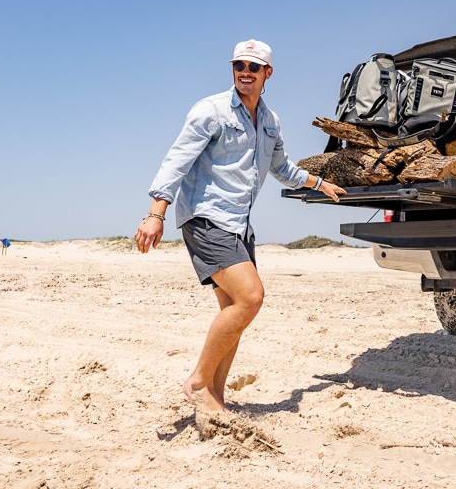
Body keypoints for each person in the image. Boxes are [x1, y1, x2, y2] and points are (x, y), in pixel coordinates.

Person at [134, 39, 343, 422]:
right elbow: (177, 160)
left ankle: (213, 400)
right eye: (239, 65)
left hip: (239, 224)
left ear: (268, 73)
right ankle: (199, 377)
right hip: (206, 217)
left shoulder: (269, 120)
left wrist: (318, 182)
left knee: (234, 312)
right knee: (251, 298)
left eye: (253, 67)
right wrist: (156, 213)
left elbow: (281, 167)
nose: (244, 72)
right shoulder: (210, 110)